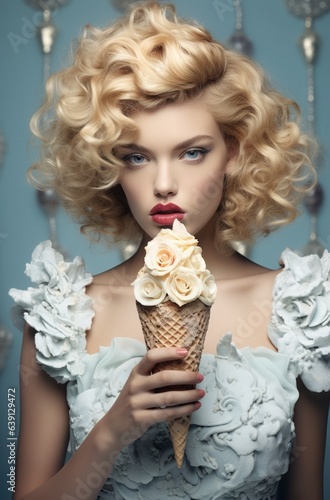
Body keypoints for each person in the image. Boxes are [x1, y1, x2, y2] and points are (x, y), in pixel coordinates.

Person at [9, 2, 330, 499]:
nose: (163, 184)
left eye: (192, 152)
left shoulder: (300, 311)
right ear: (111, 167)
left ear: (235, 151)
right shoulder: (64, 317)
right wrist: (111, 432)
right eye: (137, 157)